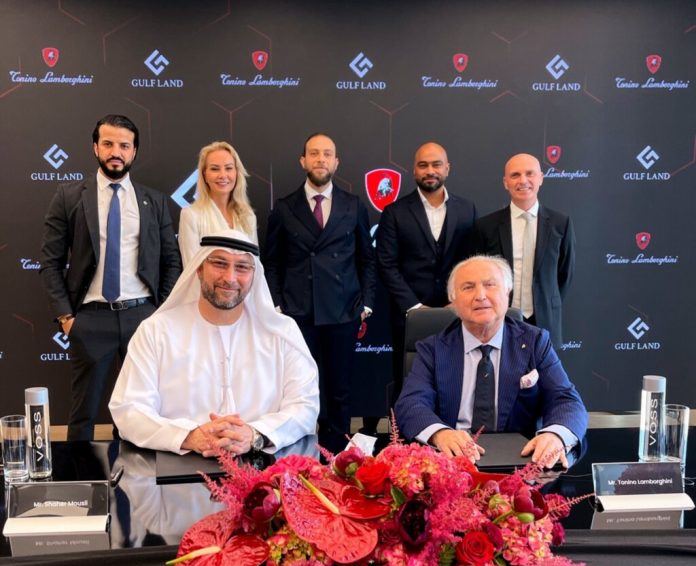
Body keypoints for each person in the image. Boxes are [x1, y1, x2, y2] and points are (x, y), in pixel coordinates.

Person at [109, 230, 319, 455]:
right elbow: (129, 409)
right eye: (220, 263)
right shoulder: (156, 330)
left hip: (261, 464)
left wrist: (254, 434)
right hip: (178, 466)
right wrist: (189, 436)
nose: (230, 278)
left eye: (242, 267)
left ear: (254, 275)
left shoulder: (282, 332)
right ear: (199, 269)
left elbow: (304, 405)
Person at [40, 114, 182, 441]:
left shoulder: (154, 201)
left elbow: (171, 261)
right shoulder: (69, 196)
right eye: (108, 144)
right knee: (83, 415)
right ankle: (80, 475)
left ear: (134, 151)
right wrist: (67, 318)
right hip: (90, 319)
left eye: (124, 145)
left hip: (142, 318)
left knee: (141, 415)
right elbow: (50, 262)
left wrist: (158, 313)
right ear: (95, 147)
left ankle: (132, 477)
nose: (116, 152)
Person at [395, 255, 587, 469]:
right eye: (468, 287)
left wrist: (555, 435)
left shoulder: (535, 342)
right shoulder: (433, 349)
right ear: (453, 301)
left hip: (521, 463)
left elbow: (566, 400)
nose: (480, 295)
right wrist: (440, 433)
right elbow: (411, 403)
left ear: (507, 292)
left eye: (490, 285)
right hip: (452, 464)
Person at [263, 133, 376, 449]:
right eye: (314, 153)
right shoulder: (284, 208)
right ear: (303, 161)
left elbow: (367, 259)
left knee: (340, 389)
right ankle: (299, 453)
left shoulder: (353, 205)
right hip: (298, 313)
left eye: (327, 154)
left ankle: (338, 454)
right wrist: (278, 305)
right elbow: (271, 262)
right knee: (298, 389)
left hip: (343, 310)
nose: (320, 159)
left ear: (336, 162)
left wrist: (366, 303)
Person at [376, 142, 477, 407]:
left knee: (454, 382)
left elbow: (472, 263)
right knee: (406, 382)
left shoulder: (467, 210)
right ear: (414, 170)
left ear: (447, 168)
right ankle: (402, 434)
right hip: (408, 316)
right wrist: (415, 307)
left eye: (436, 164)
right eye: (423, 165)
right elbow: (386, 265)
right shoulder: (394, 212)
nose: (430, 170)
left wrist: (457, 301)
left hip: (456, 313)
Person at [473, 153, 575, 348]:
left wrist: (545, 301)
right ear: (505, 182)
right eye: (515, 175)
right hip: (499, 320)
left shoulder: (560, 223)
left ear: (541, 178)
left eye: (530, 174)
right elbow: (478, 275)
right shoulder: (485, 227)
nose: (523, 181)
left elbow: (565, 274)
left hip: (545, 321)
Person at [178, 141, 258, 266]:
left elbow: (255, 265)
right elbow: (192, 268)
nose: (222, 175)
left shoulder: (248, 216)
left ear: (236, 173)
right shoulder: (191, 215)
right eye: (215, 169)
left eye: (228, 168)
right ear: (204, 175)